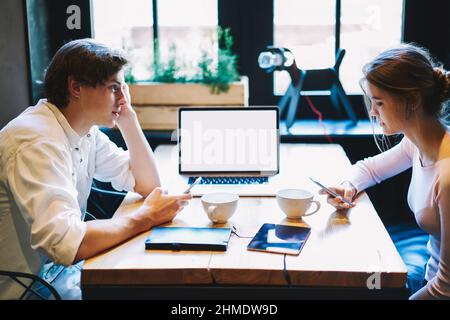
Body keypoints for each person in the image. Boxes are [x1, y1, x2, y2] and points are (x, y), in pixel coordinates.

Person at [0, 39, 192, 299]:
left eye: (123, 88)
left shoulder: (84, 131)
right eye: (114, 88)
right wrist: (145, 217)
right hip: (27, 289)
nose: (123, 98)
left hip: (59, 274)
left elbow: (147, 185)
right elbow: (65, 243)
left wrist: (129, 119)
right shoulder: (36, 141)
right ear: (76, 87)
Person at [320, 43, 450, 299]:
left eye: (378, 102)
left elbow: (445, 287)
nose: (372, 112)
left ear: (412, 101)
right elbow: (368, 169)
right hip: (429, 279)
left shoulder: (447, 177)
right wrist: (349, 187)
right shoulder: (416, 143)